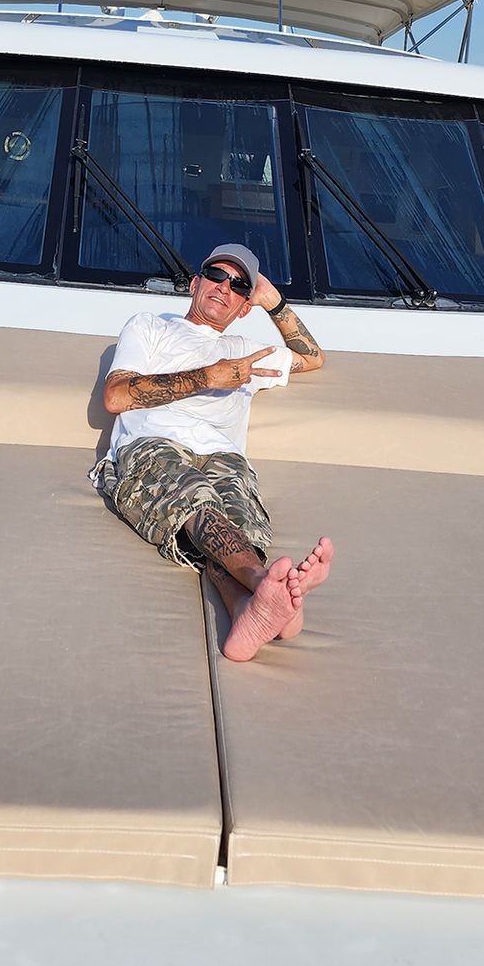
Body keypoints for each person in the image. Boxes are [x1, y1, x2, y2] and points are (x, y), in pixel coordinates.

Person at [96, 243, 334, 662]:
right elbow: (115, 397)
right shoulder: (150, 327)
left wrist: (273, 302)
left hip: (224, 456)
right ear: (195, 283)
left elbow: (312, 357)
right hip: (154, 443)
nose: (225, 287)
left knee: (237, 520)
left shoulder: (249, 351)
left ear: (244, 306)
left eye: (239, 285)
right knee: (196, 499)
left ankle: (248, 610)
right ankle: (266, 585)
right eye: (216, 275)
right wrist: (210, 376)